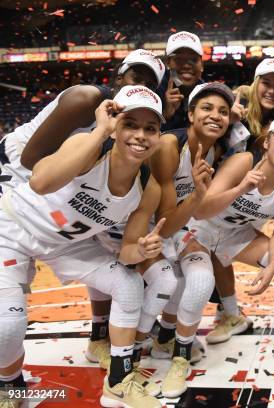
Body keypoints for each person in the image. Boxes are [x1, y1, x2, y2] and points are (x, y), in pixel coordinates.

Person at [0, 85, 166, 408]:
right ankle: (9, 385)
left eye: (151, 128)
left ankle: (118, 382)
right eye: (130, 124)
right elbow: (39, 182)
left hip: (64, 245)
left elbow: (127, 251)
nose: (141, 135)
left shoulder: (148, 188)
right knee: (8, 324)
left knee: (129, 284)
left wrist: (143, 250)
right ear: (115, 125)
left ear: (159, 136)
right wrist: (98, 132)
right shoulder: (89, 147)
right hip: (12, 229)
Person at [161, 114, 274, 398]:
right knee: (199, 284)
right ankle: (180, 357)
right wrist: (241, 189)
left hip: (236, 235)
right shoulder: (243, 162)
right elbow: (201, 210)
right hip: (199, 229)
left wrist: (270, 267)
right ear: (268, 140)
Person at [140, 83, 234, 398]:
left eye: (223, 111)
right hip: (141, 232)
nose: (216, 116)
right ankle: (131, 345)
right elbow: (163, 226)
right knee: (166, 284)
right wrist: (198, 194)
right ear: (190, 113)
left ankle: (177, 354)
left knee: (201, 279)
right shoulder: (169, 145)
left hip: (177, 226)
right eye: (207, 108)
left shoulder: (216, 150)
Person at [205, 58, 274, 345]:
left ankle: (230, 313)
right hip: (213, 196)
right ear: (255, 83)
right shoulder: (235, 110)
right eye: (266, 83)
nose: (272, 90)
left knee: (225, 241)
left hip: (245, 207)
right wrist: (226, 117)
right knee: (191, 277)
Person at [157, 31, 205, 131]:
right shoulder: (154, 90)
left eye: (193, 59)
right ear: (168, 63)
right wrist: (165, 116)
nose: (187, 65)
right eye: (178, 59)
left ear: (202, 65)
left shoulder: (208, 93)